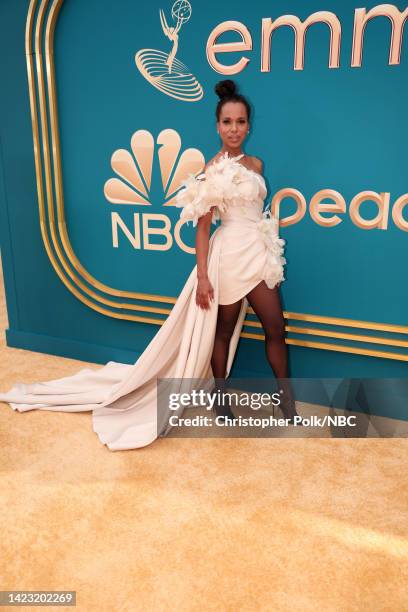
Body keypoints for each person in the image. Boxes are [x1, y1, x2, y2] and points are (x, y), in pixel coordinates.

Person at [0, 79, 301, 451]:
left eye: (240, 122)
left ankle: (285, 398)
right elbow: (204, 230)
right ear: (217, 125)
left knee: (275, 325)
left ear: (249, 125)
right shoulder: (210, 170)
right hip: (226, 258)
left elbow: (256, 212)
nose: (234, 129)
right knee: (222, 330)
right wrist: (204, 277)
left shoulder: (256, 163)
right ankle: (220, 396)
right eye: (227, 122)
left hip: (257, 253)